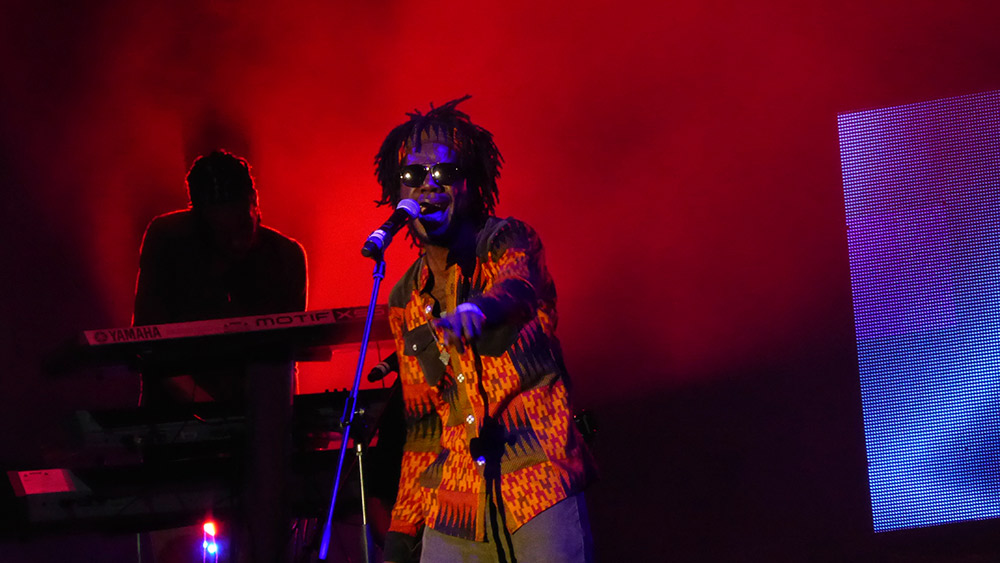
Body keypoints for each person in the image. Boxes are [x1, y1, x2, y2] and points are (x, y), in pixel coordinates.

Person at [374, 97, 595, 563]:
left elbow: (517, 288)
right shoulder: (405, 299)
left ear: (472, 186)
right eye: (414, 177)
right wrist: (403, 527)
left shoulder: (509, 241)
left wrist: (477, 312)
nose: (429, 186)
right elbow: (425, 428)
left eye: (445, 175)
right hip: (453, 507)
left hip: (537, 487)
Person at [132, 149, 307, 563]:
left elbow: (286, 354)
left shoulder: (285, 256)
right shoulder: (167, 239)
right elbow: (148, 342)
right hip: (176, 424)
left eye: (242, 223)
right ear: (199, 220)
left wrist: (287, 422)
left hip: (256, 426)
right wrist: (209, 410)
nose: (235, 240)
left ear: (256, 203)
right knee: (174, 540)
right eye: (221, 230)